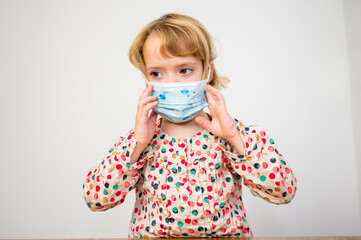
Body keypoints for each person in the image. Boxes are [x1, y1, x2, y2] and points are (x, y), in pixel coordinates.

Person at [82, 13, 297, 238]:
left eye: (184, 70)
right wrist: (137, 143)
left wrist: (234, 136)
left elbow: (284, 191)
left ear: (208, 71)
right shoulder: (140, 140)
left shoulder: (232, 135)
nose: (171, 83)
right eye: (157, 73)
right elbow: (95, 199)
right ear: (147, 79)